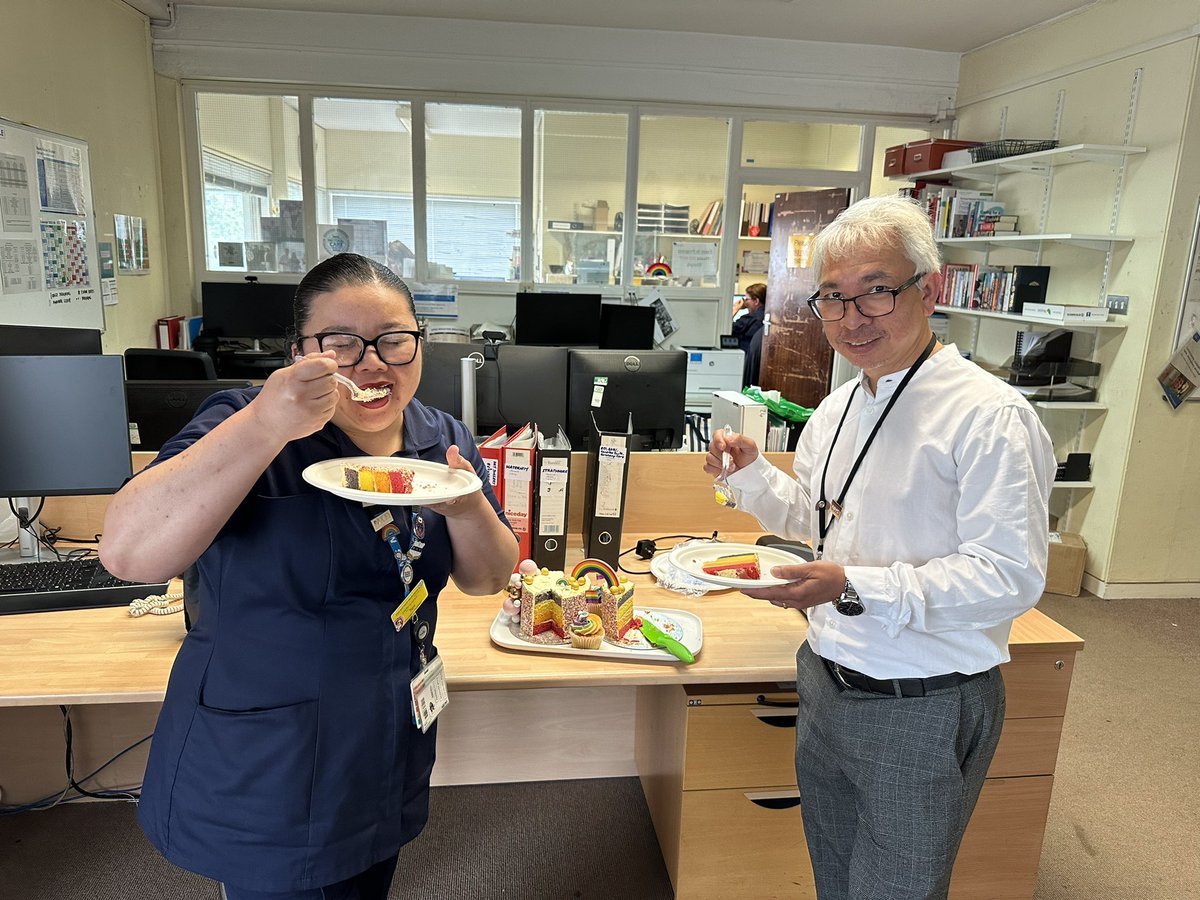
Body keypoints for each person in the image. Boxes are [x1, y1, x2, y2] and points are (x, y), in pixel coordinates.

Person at [100, 253, 517, 899]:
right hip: (273, 755)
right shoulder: (244, 420)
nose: (372, 363)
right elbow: (129, 555)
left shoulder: (441, 438)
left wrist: (465, 506)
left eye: (394, 340)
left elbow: (488, 579)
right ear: (298, 353)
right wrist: (266, 424)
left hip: (387, 736)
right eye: (341, 342)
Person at [704, 196, 1056, 900]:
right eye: (833, 298)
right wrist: (751, 476)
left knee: (895, 891)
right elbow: (822, 522)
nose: (851, 318)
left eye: (875, 291)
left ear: (929, 289)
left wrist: (853, 586)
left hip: (921, 701)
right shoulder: (839, 407)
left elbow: (1008, 577)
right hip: (825, 678)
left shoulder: (988, 416)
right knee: (835, 877)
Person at [733, 282, 766, 386]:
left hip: (746, 362)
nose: (745, 303)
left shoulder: (750, 319)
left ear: (756, 301)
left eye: (747, 299)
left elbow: (726, 328)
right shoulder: (769, 316)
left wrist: (735, 309)